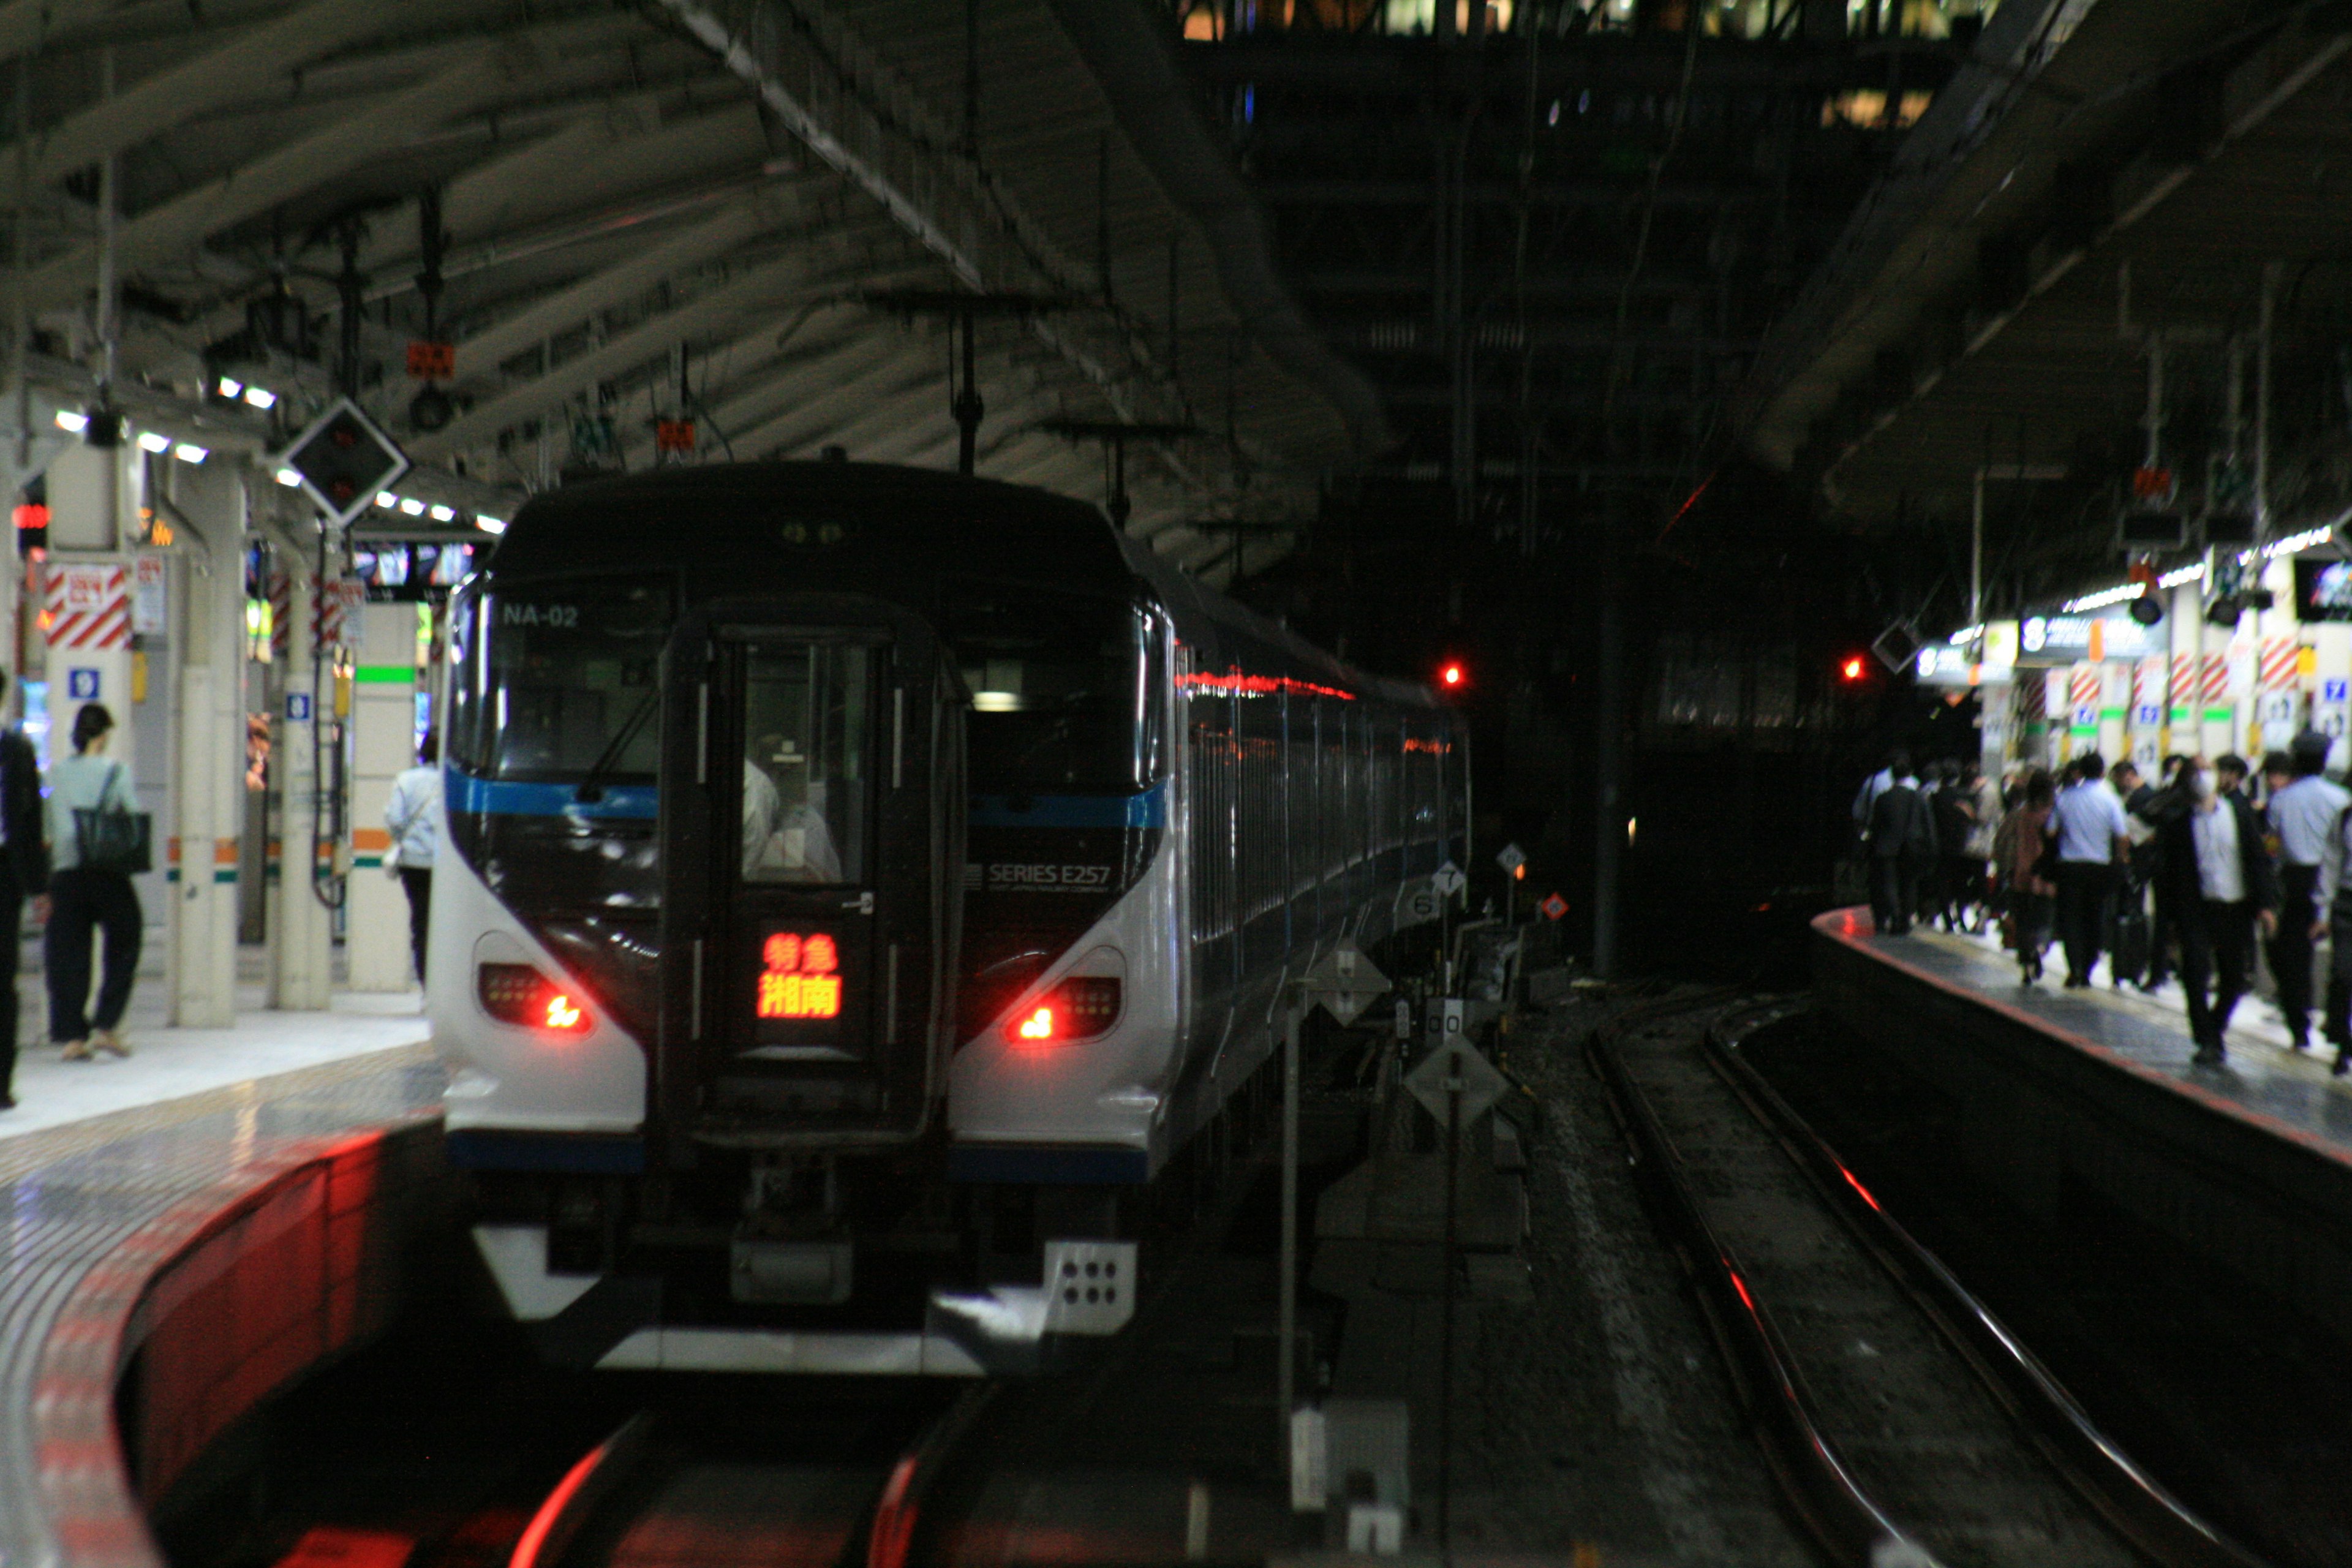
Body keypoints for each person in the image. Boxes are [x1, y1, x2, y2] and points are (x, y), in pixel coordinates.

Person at [2157, 756, 2280, 1064]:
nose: (2203, 778)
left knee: (2235, 977)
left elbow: (2257, 859)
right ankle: (2207, 1037)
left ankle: (2215, 1026)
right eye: (2196, 773)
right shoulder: (2180, 825)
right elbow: (2170, 876)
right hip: (2196, 908)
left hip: (2235, 907)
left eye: (2207, 770)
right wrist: (2169, 921)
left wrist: (2266, 906)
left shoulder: (2240, 814)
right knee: (2195, 972)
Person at [44, 704, 139, 1061]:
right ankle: (107, 1025)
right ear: (103, 736)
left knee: (68, 954)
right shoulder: (117, 772)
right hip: (107, 872)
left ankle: (72, 1037)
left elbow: (47, 824)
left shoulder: (54, 774)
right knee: (127, 938)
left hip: (66, 873)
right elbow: (129, 814)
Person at [2263, 734, 2346, 1050]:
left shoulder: (2282, 800)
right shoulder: (2340, 799)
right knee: (2342, 955)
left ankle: (2299, 1024)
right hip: (2335, 880)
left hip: (2295, 881)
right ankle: (2337, 1021)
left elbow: (2272, 846)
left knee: (2294, 954)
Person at [0, 671, 45, 1110]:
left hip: (4, 876)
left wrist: (37, 885)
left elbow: (30, 825)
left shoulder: (16, 751)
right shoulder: (16, 750)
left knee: (3, 980)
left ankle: (1, 1083)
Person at [2049, 752, 2132, 987]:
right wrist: (2120, 859)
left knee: (2071, 919)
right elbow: (2122, 836)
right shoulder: (2110, 799)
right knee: (2095, 918)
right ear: (2103, 772)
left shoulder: (2065, 797)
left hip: (2070, 867)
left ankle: (2074, 967)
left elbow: (2050, 831)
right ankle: (2087, 969)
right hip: (2099, 868)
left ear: (2081, 772)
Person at [384, 731, 443, 987]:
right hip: (447, 865)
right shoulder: (453, 782)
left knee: (421, 922)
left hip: (413, 862)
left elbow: (395, 820)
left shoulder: (405, 780)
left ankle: (426, 983)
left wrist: (408, 838)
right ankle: (444, 984)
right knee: (443, 923)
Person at [1994, 769, 2057, 982]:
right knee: (2044, 918)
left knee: (2022, 919)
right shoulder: (2053, 815)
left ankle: (2026, 958)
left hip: (2020, 874)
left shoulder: (2019, 813)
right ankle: (2039, 949)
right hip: (2047, 876)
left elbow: (2001, 839)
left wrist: (2001, 862)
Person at [1866, 759, 1937, 935]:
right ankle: (1905, 920)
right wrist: (1931, 850)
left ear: (1893, 776)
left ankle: (1895, 916)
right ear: (1910, 774)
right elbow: (1929, 826)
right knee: (1909, 884)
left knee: (1889, 884)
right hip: (1912, 848)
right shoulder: (1919, 798)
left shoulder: (1883, 798)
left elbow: (1875, 827)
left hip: (1887, 848)